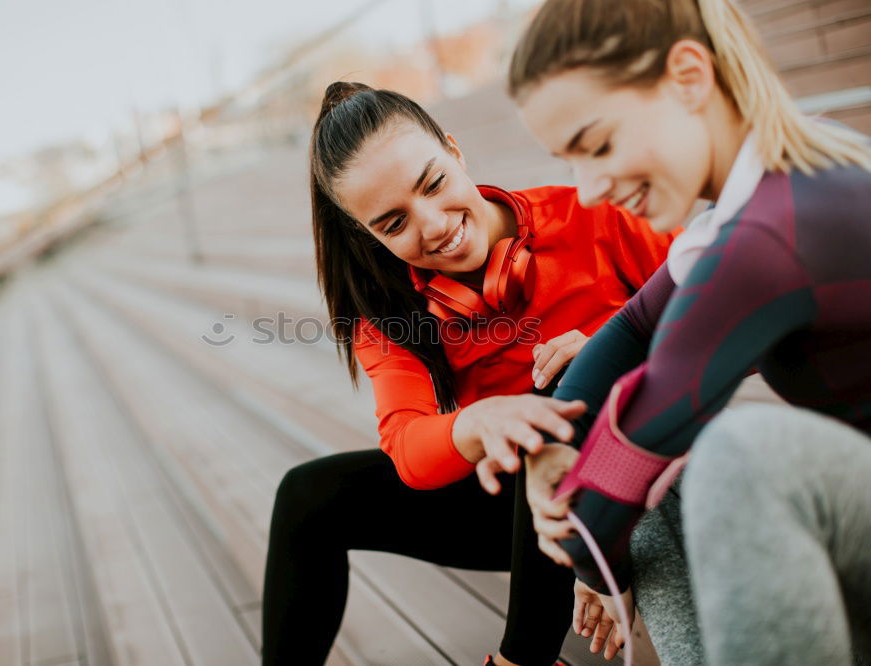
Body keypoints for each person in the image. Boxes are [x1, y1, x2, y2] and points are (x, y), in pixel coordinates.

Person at [494, 0, 871, 663]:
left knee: (728, 455)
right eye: (568, 160)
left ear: (690, 77)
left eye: (599, 144)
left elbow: (605, 495)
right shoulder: (785, 172)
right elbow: (634, 328)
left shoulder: (767, 236)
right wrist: (554, 449)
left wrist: (582, 544)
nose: (586, 190)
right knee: (646, 455)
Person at [260, 82, 676, 665]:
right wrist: (482, 420)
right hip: (525, 518)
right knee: (307, 496)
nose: (433, 227)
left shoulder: (594, 215)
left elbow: (721, 304)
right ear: (367, 234)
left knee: (561, 382)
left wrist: (613, 352)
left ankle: (521, 659)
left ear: (455, 152)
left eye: (432, 184)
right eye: (393, 223)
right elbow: (407, 449)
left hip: (644, 468)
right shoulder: (386, 311)